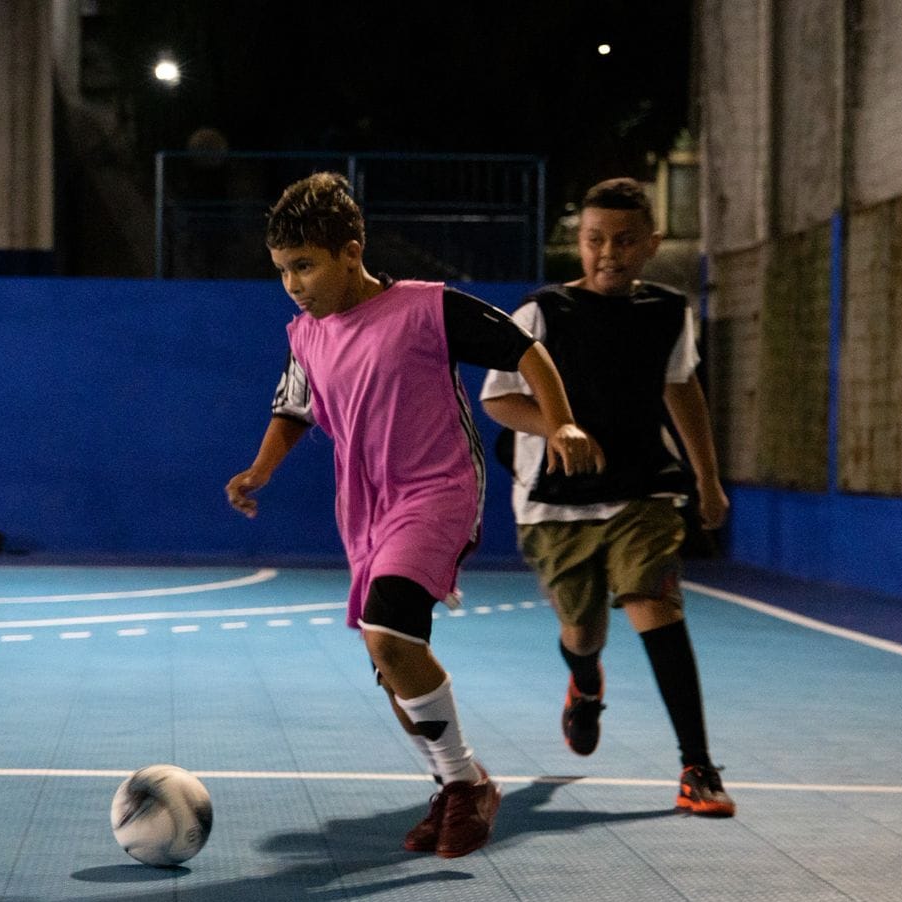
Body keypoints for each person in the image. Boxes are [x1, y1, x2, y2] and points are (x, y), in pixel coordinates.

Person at [226, 173, 598, 858]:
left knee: (390, 634)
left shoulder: (427, 308)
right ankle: (459, 782)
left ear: (350, 251)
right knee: (391, 660)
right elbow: (293, 410)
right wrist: (260, 471)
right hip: (365, 511)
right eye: (282, 271)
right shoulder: (306, 336)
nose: (293, 283)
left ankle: (464, 787)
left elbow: (525, 348)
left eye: (304, 265)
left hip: (438, 491)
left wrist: (563, 424)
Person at [479, 177, 735, 817]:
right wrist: (558, 428)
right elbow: (498, 399)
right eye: (594, 240)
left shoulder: (668, 313)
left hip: (642, 489)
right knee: (583, 631)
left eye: (624, 241)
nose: (608, 253)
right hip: (555, 502)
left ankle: (697, 767)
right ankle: (585, 682)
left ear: (651, 244)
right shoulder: (542, 313)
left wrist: (707, 479)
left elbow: (682, 390)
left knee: (655, 603)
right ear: (579, 243)